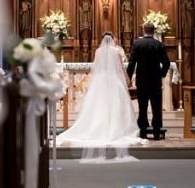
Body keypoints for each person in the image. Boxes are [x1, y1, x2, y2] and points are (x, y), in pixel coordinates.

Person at [57, 33, 145, 161]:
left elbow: (95, 67)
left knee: (100, 105)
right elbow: (121, 68)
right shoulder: (116, 51)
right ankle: (116, 130)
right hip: (114, 81)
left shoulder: (98, 51)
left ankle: (100, 128)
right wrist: (128, 79)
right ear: (112, 40)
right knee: (115, 105)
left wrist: (92, 83)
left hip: (101, 81)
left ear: (102, 40)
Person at [127, 21, 170, 140]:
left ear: (143, 31)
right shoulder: (158, 44)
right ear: (154, 31)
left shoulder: (137, 44)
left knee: (143, 106)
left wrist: (128, 78)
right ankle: (156, 131)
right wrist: (161, 74)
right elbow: (166, 63)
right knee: (156, 106)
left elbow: (131, 63)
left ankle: (143, 130)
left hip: (142, 80)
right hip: (155, 81)